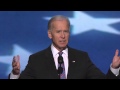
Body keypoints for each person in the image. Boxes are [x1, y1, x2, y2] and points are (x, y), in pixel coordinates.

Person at [9, 15, 120, 79]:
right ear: (50, 34)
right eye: (58, 32)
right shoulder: (36, 59)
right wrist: (15, 73)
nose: (63, 36)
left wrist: (114, 68)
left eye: (65, 31)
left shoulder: (82, 58)